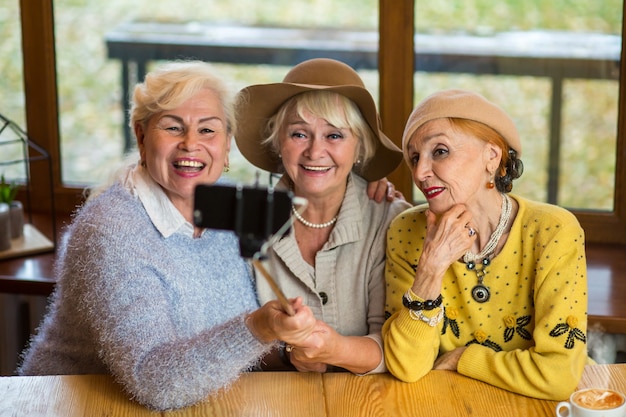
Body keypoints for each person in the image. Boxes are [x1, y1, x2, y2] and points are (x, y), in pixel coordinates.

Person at [17, 61, 318, 411]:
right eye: (173, 128)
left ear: (227, 144)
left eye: (208, 130)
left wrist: (287, 350)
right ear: (142, 136)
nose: (191, 144)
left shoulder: (226, 204)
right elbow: (153, 382)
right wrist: (259, 329)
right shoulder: (111, 232)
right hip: (76, 407)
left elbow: (223, 344)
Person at [382, 89, 589, 400]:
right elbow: (408, 366)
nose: (420, 173)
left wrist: (463, 359)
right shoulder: (406, 231)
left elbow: (558, 375)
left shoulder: (553, 231)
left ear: (492, 157)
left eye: (439, 151)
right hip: (446, 403)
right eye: (414, 158)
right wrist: (431, 268)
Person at [234, 58, 411, 375]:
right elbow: (231, 341)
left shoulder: (391, 221)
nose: (315, 153)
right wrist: (289, 354)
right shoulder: (245, 219)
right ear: (278, 144)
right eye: (299, 134)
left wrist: (333, 350)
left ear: (360, 147)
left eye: (334, 136)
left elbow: (403, 346)